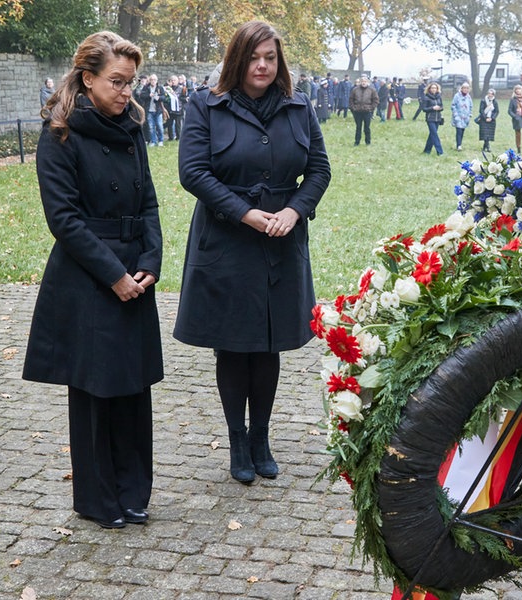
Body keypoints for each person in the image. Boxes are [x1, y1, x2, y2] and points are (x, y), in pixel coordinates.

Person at [175, 20, 332, 485]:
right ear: (237, 60)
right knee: (234, 345)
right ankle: (237, 441)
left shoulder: (299, 108)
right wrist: (245, 213)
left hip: (281, 243)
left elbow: (320, 170)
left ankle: (261, 437)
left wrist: (295, 210)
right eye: (253, 57)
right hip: (227, 241)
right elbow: (193, 172)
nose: (262, 66)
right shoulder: (205, 105)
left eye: (270, 57)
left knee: (269, 345)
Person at [23, 31, 163, 530]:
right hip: (89, 277)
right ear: (88, 79)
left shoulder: (132, 128)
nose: (127, 92)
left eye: (132, 82)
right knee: (95, 392)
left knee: (133, 389)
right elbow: (63, 218)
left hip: (135, 272)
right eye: (117, 82)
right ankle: (97, 498)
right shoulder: (59, 133)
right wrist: (114, 276)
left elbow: (148, 201)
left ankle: (133, 492)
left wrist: (150, 260)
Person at [136, 74, 167, 146]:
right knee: (151, 127)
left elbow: (164, 97)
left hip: (158, 110)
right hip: (149, 110)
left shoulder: (160, 88)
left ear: (157, 80)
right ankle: (153, 141)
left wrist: (159, 98)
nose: (153, 81)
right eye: (151, 79)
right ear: (149, 80)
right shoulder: (146, 87)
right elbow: (141, 96)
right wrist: (148, 96)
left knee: (159, 126)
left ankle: (160, 140)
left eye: (154, 79)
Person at [349, 75, 378, 145]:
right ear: (360, 82)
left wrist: (371, 108)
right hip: (357, 112)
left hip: (367, 112)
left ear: (367, 82)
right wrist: (353, 108)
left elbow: (376, 100)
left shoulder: (372, 90)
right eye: (362, 81)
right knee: (358, 127)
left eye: (365, 81)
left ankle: (368, 142)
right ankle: (357, 142)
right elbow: (351, 99)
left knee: (367, 128)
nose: (363, 83)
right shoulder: (355, 90)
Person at [420, 81, 444, 156]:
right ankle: (440, 151)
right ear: (429, 89)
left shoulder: (439, 97)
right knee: (435, 134)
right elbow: (424, 109)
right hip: (430, 118)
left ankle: (427, 150)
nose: (434, 89)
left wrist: (439, 108)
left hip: (438, 118)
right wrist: (433, 108)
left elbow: (442, 107)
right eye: (432, 88)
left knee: (432, 135)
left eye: (435, 88)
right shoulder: (426, 97)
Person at [450, 82, 473, 151]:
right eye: (464, 88)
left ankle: (460, 143)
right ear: (461, 88)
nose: (466, 89)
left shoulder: (468, 97)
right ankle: (458, 145)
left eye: (467, 88)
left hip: (465, 117)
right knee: (459, 130)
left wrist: (469, 114)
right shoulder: (457, 96)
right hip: (458, 116)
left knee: (462, 130)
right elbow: (453, 105)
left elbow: (471, 106)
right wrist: (456, 115)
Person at [478, 88, 499, 153]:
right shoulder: (483, 101)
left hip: (491, 120)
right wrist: (485, 118)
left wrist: (492, 118)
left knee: (489, 134)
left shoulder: (495, 102)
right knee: (485, 133)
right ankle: (487, 146)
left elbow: (496, 111)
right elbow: (481, 110)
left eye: (491, 94)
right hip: (484, 120)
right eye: (489, 93)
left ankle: (485, 146)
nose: (490, 95)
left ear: (493, 94)